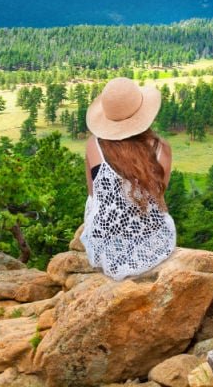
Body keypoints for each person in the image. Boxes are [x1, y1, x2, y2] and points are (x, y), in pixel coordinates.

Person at [80, 77, 176, 279]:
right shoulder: (161, 149)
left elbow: (93, 195)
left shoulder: (93, 145)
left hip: (105, 248)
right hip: (151, 244)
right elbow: (159, 198)